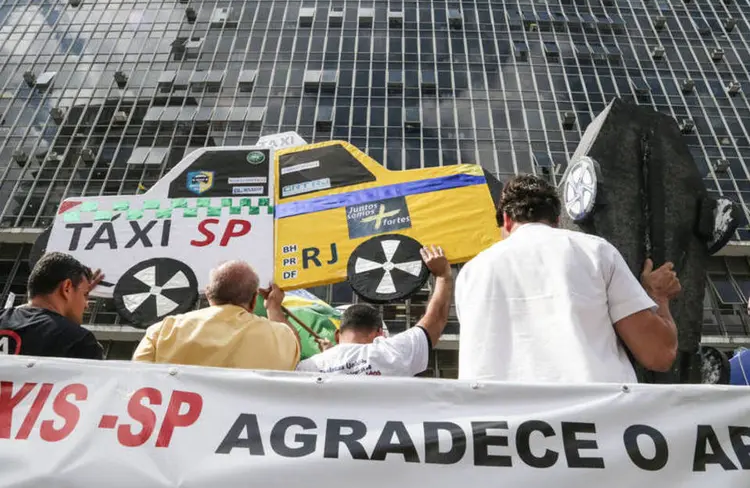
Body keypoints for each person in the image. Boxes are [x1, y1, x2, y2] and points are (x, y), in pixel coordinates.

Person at [456, 174, 681, 383]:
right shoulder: (595, 251)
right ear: (557, 220)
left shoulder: (470, 273)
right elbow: (658, 354)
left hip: (498, 419)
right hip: (598, 414)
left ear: (505, 220)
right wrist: (657, 296)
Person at [296, 245, 452, 376]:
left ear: (337, 335)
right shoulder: (392, 354)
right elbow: (435, 320)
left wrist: (329, 356)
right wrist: (443, 275)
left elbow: (283, 344)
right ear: (379, 333)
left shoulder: (309, 368)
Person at [132, 260, 301, 370]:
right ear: (254, 300)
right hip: (247, 425)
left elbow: (137, 380)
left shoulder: (162, 330)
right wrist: (273, 307)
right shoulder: (279, 336)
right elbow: (294, 346)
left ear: (208, 294)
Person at [0, 252, 104, 359]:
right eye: (85, 294)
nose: (86, 305)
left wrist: (78, 292)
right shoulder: (78, 341)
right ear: (67, 287)